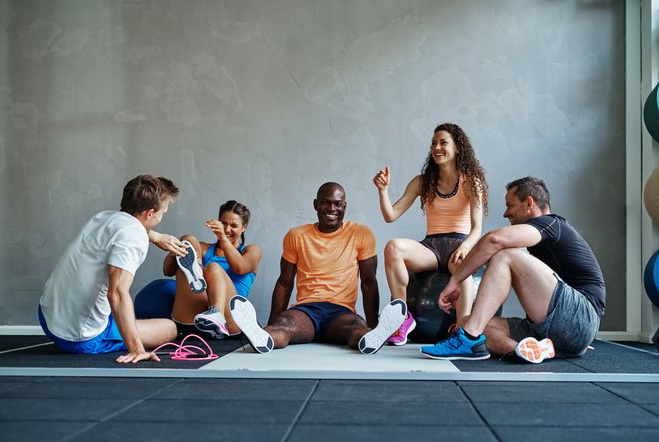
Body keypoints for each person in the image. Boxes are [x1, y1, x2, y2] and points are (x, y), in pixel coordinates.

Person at [421, 176, 605, 363]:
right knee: (465, 322)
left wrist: (455, 281)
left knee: (505, 254)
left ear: (529, 203)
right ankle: (530, 350)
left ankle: (467, 339)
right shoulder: (539, 239)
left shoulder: (552, 224)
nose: (505, 213)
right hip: (556, 328)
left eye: (510, 205)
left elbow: (494, 240)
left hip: (581, 316)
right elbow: (493, 268)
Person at [226, 182, 407, 354]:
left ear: (344, 206)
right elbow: (284, 283)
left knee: (356, 328)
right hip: (305, 311)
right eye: (325, 203)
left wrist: (372, 324)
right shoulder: (296, 235)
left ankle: (374, 336)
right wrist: (271, 323)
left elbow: (368, 283)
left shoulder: (361, 234)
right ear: (315, 204)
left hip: (340, 312)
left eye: (338, 204)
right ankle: (263, 336)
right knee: (284, 325)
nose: (332, 209)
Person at [38, 175, 187, 364]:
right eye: (162, 213)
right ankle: (121, 333)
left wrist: (156, 237)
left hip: (48, 315)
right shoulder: (133, 238)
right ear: (149, 213)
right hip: (80, 336)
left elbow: (126, 229)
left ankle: (122, 322)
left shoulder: (104, 217)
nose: (161, 217)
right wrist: (137, 349)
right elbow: (116, 293)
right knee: (169, 328)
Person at [373, 123, 487, 345]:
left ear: (457, 148)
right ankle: (402, 318)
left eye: (443, 142)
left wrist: (464, 248)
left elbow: (477, 227)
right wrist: (383, 191)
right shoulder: (422, 182)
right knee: (393, 248)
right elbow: (390, 215)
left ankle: (461, 330)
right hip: (431, 247)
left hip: (460, 244)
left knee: (463, 273)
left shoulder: (471, 181)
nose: (437, 147)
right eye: (434, 143)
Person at [163, 200, 262, 339]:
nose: (227, 229)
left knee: (213, 268)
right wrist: (176, 249)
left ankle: (217, 314)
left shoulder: (252, 251)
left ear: (244, 227)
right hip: (196, 319)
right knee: (189, 240)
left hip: (231, 322)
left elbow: (240, 268)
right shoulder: (204, 249)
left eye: (234, 225)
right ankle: (195, 271)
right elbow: (168, 271)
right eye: (223, 224)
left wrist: (222, 237)